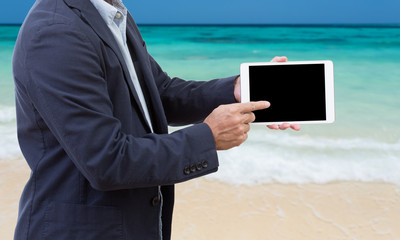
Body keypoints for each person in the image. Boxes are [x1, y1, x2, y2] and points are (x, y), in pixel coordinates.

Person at [12, 0, 300, 239]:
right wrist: (207, 137)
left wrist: (237, 88)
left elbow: (158, 93)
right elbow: (106, 161)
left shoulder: (111, 14)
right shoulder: (55, 32)